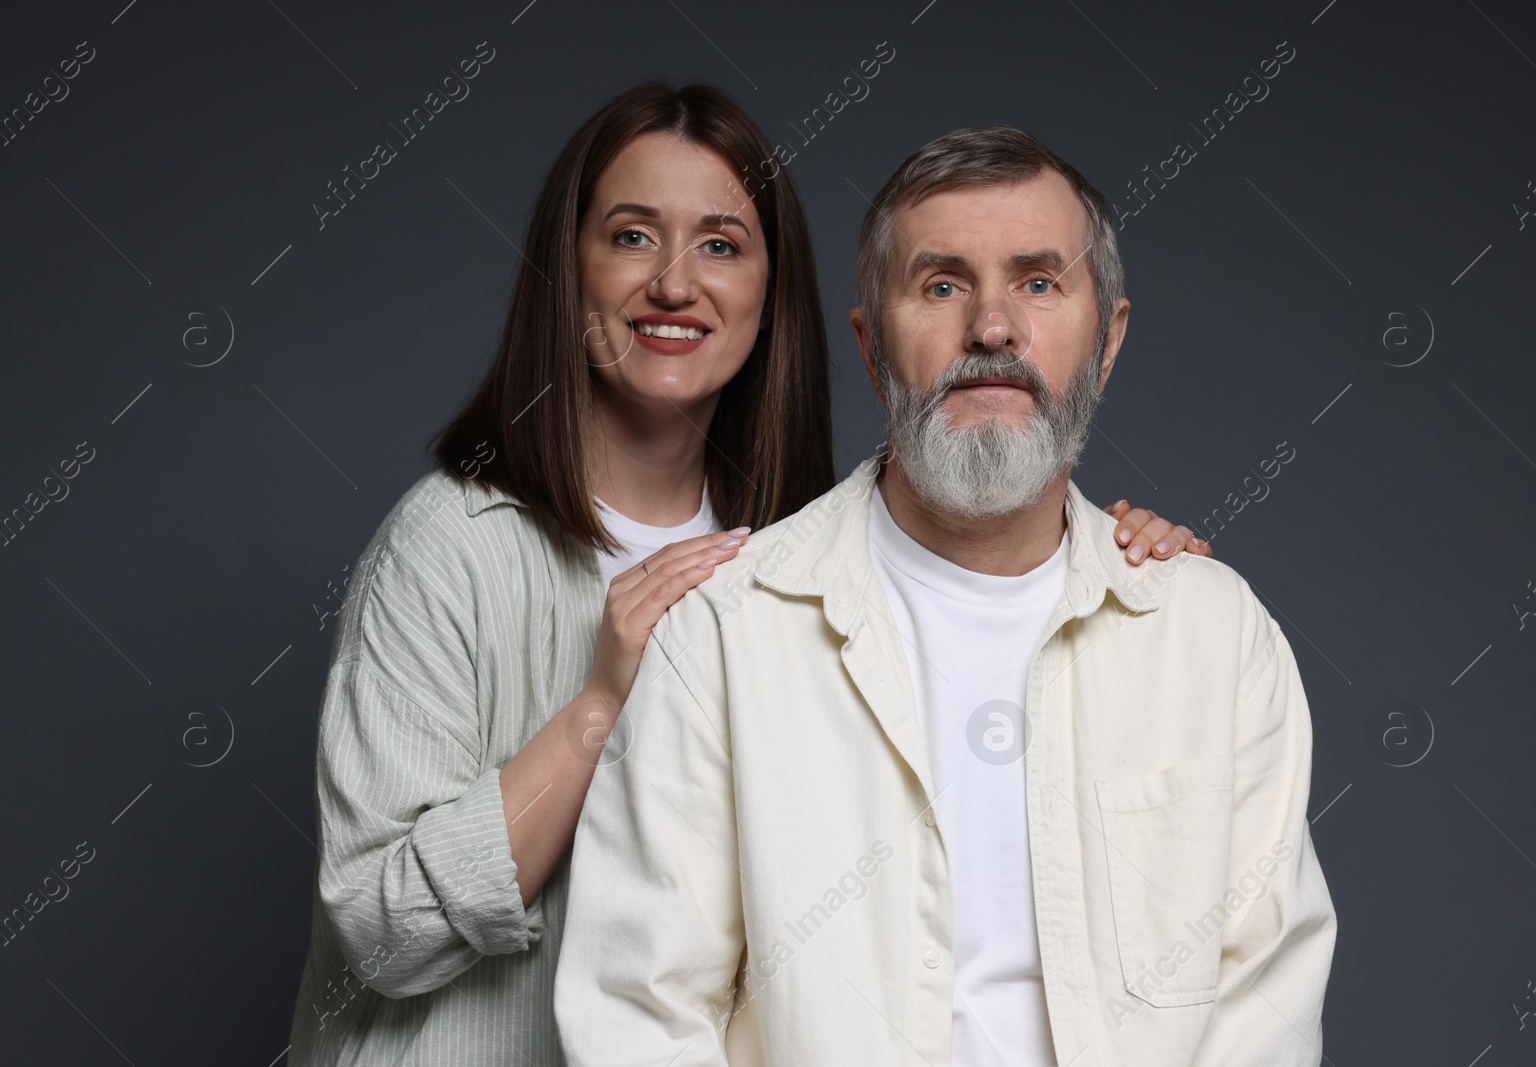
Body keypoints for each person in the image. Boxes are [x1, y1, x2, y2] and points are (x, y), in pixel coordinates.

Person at [286, 86, 1207, 1066]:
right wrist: (599, 704)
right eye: (632, 237)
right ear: (570, 272)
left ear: (771, 293)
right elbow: (378, 931)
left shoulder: (796, 560)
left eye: (721, 245)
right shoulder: (449, 545)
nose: (676, 285)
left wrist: (1105, 553)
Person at [553, 125, 1337, 1067]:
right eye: (942, 285)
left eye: (1039, 282)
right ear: (873, 346)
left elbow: (1266, 1000)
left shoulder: (1214, 636)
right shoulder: (724, 634)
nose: (993, 328)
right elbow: (636, 1009)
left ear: (1110, 339)